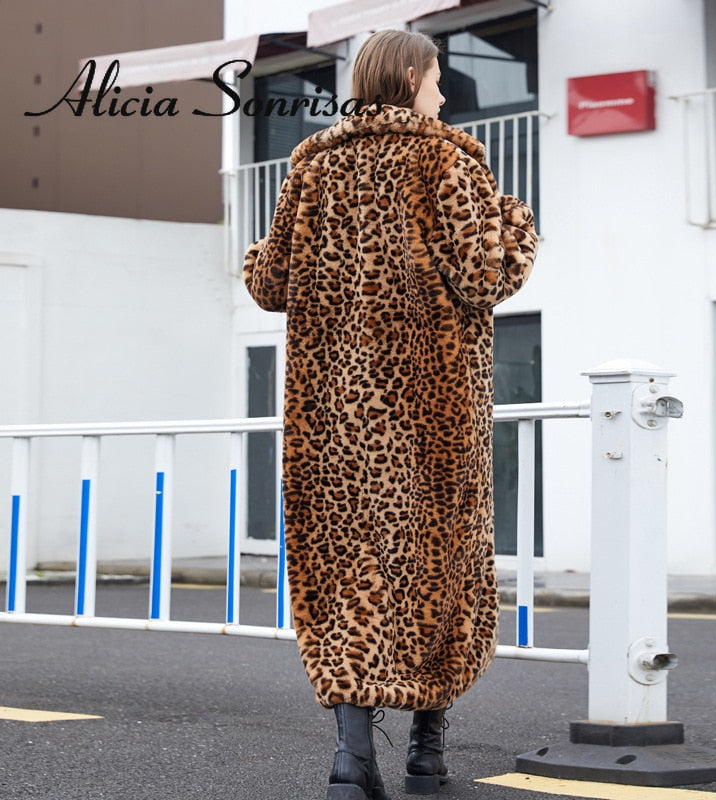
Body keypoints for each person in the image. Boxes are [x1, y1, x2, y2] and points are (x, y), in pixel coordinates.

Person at [243, 29, 538, 800]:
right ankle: (427, 754)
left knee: (352, 577)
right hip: (433, 413)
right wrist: (517, 219)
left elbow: (270, 284)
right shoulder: (446, 158)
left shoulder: (311, 165)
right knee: (438, 568)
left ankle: (350, 761)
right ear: (410, 76)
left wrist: (257, 257)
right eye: (439, 78)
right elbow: (485, 274)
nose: (445, 93)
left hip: (335, 421)